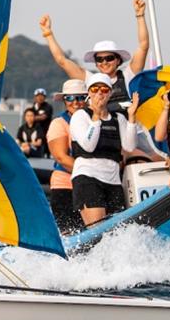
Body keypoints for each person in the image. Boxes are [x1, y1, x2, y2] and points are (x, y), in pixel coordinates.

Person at [39, 0, 150, 114]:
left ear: (118, 60)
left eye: (109, 58)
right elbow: (62, 61)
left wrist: (140, 16)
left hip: (127, 130)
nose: (104, 62)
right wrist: (48, 33)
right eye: (100, 59)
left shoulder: (128, 76)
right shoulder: (90, 80)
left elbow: (143, 46)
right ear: (96, 63)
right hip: (100, 130)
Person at [70, 74, 139, 227]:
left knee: (117, 231)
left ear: (110, 93)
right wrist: (96, 116)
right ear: (89, 93)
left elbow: (130, 146)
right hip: (88, 177)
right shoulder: (80, 116)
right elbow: (89, 146)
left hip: (113, 180)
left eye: (104, 89)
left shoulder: (118, 118)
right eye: (95, 89)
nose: (99, 93)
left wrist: (132, 117)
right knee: (98, 229)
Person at [47, 79, 88, 234]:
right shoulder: (58, 124)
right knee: (71, 235)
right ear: (64, 100)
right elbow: (61, 157)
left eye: (80, 97)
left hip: (92, 187)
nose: (75, 102)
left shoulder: (96, 121)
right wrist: (91, 173)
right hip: (66, 187)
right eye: (70, 98)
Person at [32, 88, 53, 156]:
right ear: (35, 97)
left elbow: (44, 117)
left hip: (45, 131)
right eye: (38, 96)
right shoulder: (33, 107)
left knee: (46, 149)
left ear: (45, 97)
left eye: (42, 96)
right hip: (35, 132)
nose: (40, 98)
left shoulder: (48, 107)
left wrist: (32, 118)